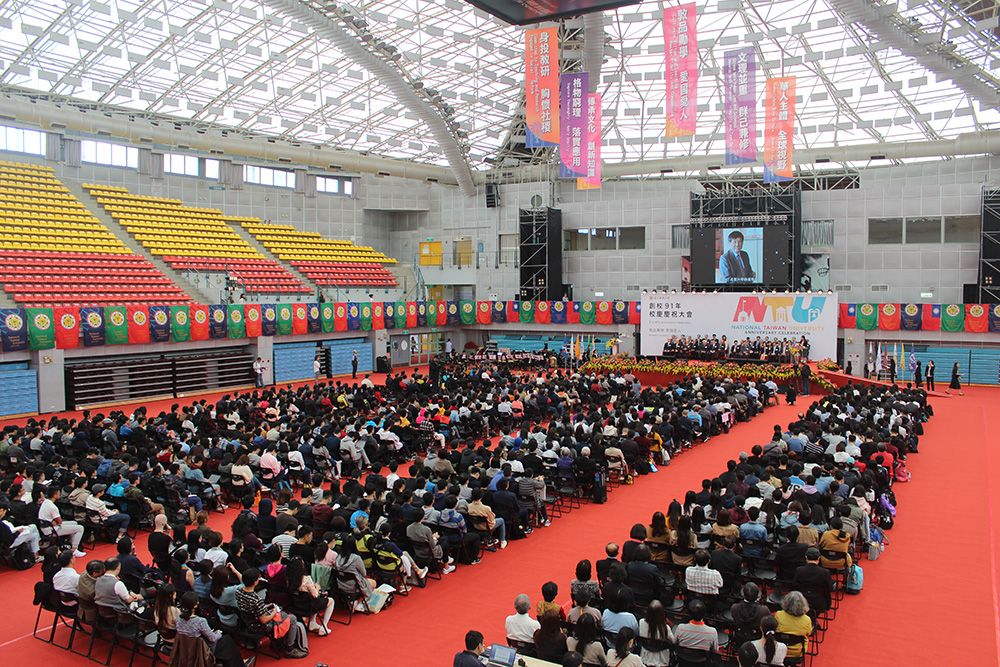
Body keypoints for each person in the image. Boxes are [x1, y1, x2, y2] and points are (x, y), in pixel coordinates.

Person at [235, 568, 308, 658]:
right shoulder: (256, 600)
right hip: (260, 626)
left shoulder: (238, 592)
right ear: (255, 582)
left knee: (282, 613)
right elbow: (264, 620)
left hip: (248, 622)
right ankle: (290, 649)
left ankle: (279, 642)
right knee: (292, 618)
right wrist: (273, 612)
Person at [175, 591, 254, 667]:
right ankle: (240, 664)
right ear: (195, 605)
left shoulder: (178, 618)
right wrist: (218, 633)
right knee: (226, 640)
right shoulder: (200, 621)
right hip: (202, 650)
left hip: (187, 649)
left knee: (225, 642)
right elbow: (213, 638)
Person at [38, 486, 86, 557]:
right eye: (59, 493)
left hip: (47, 526)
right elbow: (60, 521)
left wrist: (54, 522)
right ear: (55, 495)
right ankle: (74, 549)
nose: (60, 494)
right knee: (80, 528)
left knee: (74, 523)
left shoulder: (45, 502)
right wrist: (55, 522)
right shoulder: (52, 507)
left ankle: (70, 545)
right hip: (51, 530)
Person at [792, 547, 834, 614]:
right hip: (819, 603)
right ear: (819, 558)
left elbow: (794, 586)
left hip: (801, 601)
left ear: (806, 557)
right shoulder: (825, 572)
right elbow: (830, 588)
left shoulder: (799, 570)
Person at [774, 591, 812, 660]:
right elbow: (809, 633)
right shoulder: (807, 620)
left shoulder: (778, 615)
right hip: (798, 652)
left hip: (778, 649)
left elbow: (774, 629)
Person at [638, 600, 674, 667]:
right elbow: (673, 642)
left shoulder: (641, 622)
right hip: (662, 661)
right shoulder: (666, 628)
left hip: (645, 659)